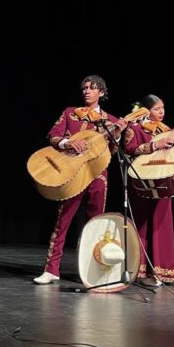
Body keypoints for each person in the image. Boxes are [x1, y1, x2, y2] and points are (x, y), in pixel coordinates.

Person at [34, 75, 127, 284]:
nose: (87, 91)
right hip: (72, 173)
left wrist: (118, 134)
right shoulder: (70, 113)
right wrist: (67, 143)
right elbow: (53, 135)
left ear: (101, 93)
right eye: (84, 88)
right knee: (63, 220)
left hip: (97, 175)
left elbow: (111, 152)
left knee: (96, 224)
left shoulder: (110, 121)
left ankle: (93, 271)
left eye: (92, 88)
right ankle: (51, 270)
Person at [122, 94, 174, 285]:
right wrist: (154, 145)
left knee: (161, 221)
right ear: (145, 110)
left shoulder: (165, 129)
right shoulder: (134, 128)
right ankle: (140, 269)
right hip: (142, 179)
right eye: (156, 109)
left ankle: (161, 270)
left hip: (162, 177)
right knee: (142, 221)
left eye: (162, 108)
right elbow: (129, 149)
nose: (161, 112)